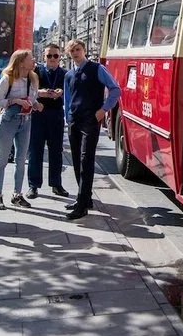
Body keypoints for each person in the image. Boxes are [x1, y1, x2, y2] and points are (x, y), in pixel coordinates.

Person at [63, 39, 121, 220]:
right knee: (76, 159)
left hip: (90, 119)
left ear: (84, 50)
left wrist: (104, 110)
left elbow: (115, 89)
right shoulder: (69, 74)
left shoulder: (97, 69)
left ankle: (82, 205)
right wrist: (67, 116)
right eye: (72, 51)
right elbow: (67, 98)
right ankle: (85, 198)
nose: (75, 53)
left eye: (78, 49)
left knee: (86, 159)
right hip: (74, 120)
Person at [0, 50, 41, 210]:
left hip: (25, 121)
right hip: (9, 121)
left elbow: (33, 99)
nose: (34, 60)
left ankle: (17, 194)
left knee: (21, 160)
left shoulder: (33, 78)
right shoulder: (8, 78)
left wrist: (36, 104)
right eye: (30, 58)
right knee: (2, 158)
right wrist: (15, 101)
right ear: (21, 62)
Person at [26, 44, 69, 199]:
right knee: (35, 150)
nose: (52, 59)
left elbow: (70, 93)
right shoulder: (35, 72)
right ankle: (33, 185)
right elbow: (27, 90)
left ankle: (56, 184)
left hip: (56, 115)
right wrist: (39, 93)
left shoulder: (64, 74)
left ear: (60, 57)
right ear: (44, 57)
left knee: (56, 151)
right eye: (49, 55)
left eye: (55, 56)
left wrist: (61, 92)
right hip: (38, 114)